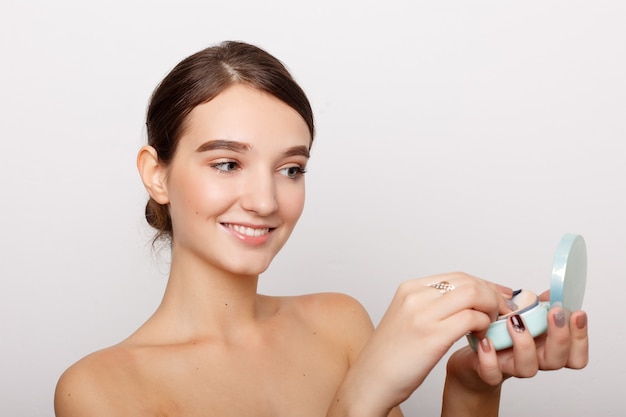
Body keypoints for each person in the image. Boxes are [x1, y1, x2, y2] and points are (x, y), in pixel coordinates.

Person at [54, 40, 588, 417]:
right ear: (157, 174)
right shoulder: (100, 391)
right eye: (226, 163)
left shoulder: (339, 323)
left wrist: (471, 387)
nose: (265, 200)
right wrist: (360, 399)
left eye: (291, 169)